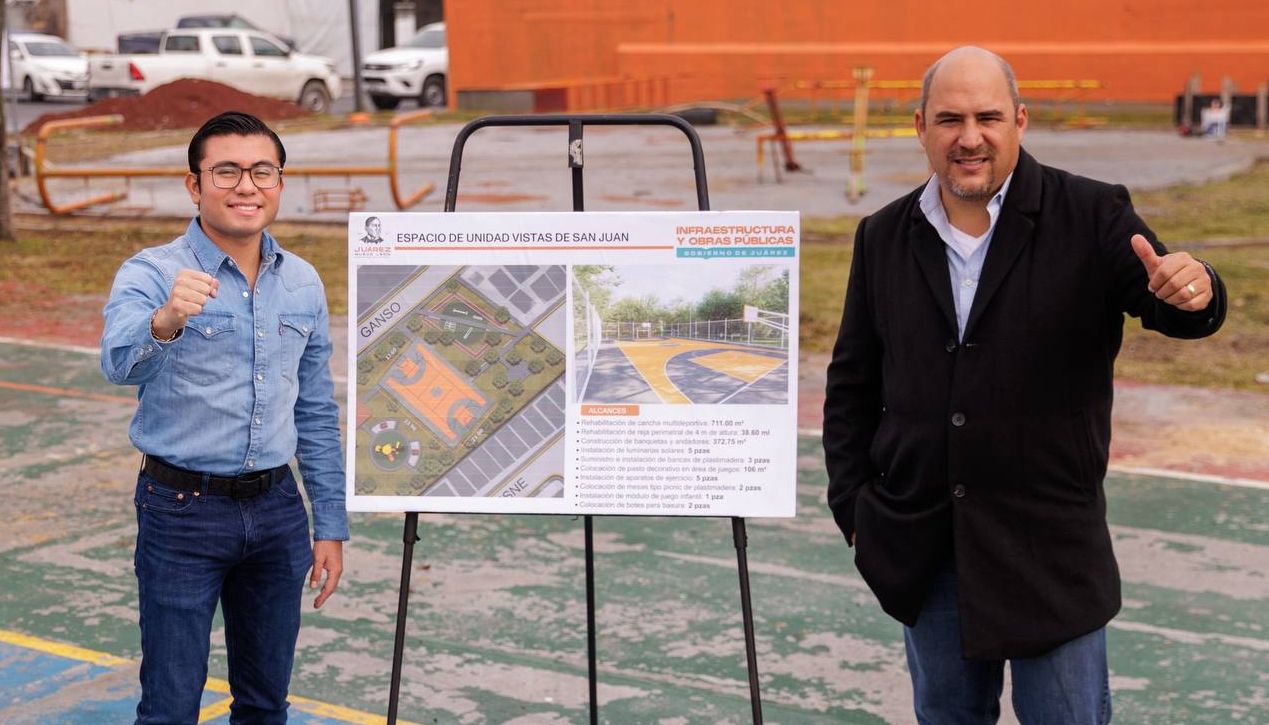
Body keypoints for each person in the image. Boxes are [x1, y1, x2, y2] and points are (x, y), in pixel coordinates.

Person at [823, 47, 1226, 724]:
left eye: (987, 117)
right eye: (949, 119)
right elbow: (852, 384)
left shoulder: (1093, 214)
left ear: (1020, 120)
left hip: (1048, 552)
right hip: (926, 548)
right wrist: (855, 511)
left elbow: (1167, 299)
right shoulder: (882, 235)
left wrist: (1196, 289)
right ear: (920, 125)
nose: (969, 137)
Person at [101, 111, 348, 724]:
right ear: (195, 185)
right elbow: (117, 363)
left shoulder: (303, 283)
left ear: (280, 182)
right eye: (227, 171)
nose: (246, 186)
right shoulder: (152, 273)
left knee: (266, 705)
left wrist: (330, 524)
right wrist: (165, 321)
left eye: (262, 171)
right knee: (170, 706)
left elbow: (315, 408)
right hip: (181, 513)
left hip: (277, 514)